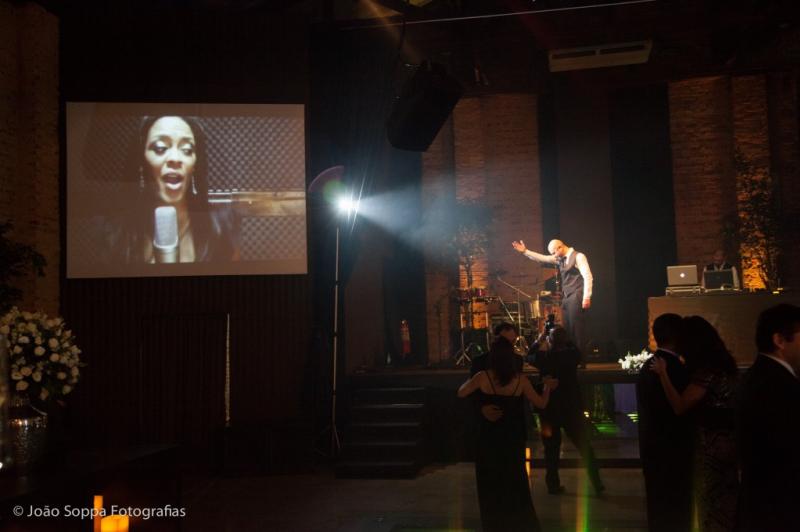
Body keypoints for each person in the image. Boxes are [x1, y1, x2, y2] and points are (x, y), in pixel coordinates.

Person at [103, 115, 239, 263]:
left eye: (187, 150)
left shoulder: (222, 228)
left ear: (194, 165)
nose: (175, 158)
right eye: (160, 148)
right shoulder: (114, 233)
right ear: (141, 161)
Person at [651, 316, 739, 532]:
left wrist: (663, 375)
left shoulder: (706, 373)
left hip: (711, 447)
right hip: (729, 443)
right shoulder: (725, 367)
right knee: (727, 500)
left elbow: (680, 406)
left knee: (710, 500)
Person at [458, 336, 555, 532]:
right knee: (515, 483)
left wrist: (481, 406)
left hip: (488, 439)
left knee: (489, 484)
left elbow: (461, 392)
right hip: (512, 440)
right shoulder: (521, 381)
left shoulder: (482, 377)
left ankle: (493, 525)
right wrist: (547, 388)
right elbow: (541, 403)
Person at [735, 304, 800, 532]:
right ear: (780, 340)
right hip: (779, 505)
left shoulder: (758, 376)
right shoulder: (778, 385)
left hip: (761, 503)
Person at [528, 326, 604, 495]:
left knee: (551, 450)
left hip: (549, 410)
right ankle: (597, 482)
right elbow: (577, 350)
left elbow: (529, 355)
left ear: (550, 340)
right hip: (571, 408)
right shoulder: (572, 355)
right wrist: (566, 339)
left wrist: (539, 339)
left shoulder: (543, 357)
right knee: (584, 446)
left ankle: (553, 485)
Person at [636, 313, 694, 532]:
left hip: (651, 446)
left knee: (657, 506)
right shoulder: (677, 368)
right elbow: (681, 410)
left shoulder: (647, 366)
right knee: (676, 506)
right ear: (678, 337)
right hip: (674, 449)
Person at [512, 238, 592, 354]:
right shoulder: (560, 258)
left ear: (560, 247)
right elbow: (542, 258)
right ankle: (571, 357)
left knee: (577, 329)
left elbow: (588, 276)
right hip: (567, 297)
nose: (554, 255)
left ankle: (580, 358)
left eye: (554, 252)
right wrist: (525, 251)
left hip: (577, 294)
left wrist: (586, 297)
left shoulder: (579, 256)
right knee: (568, 329)